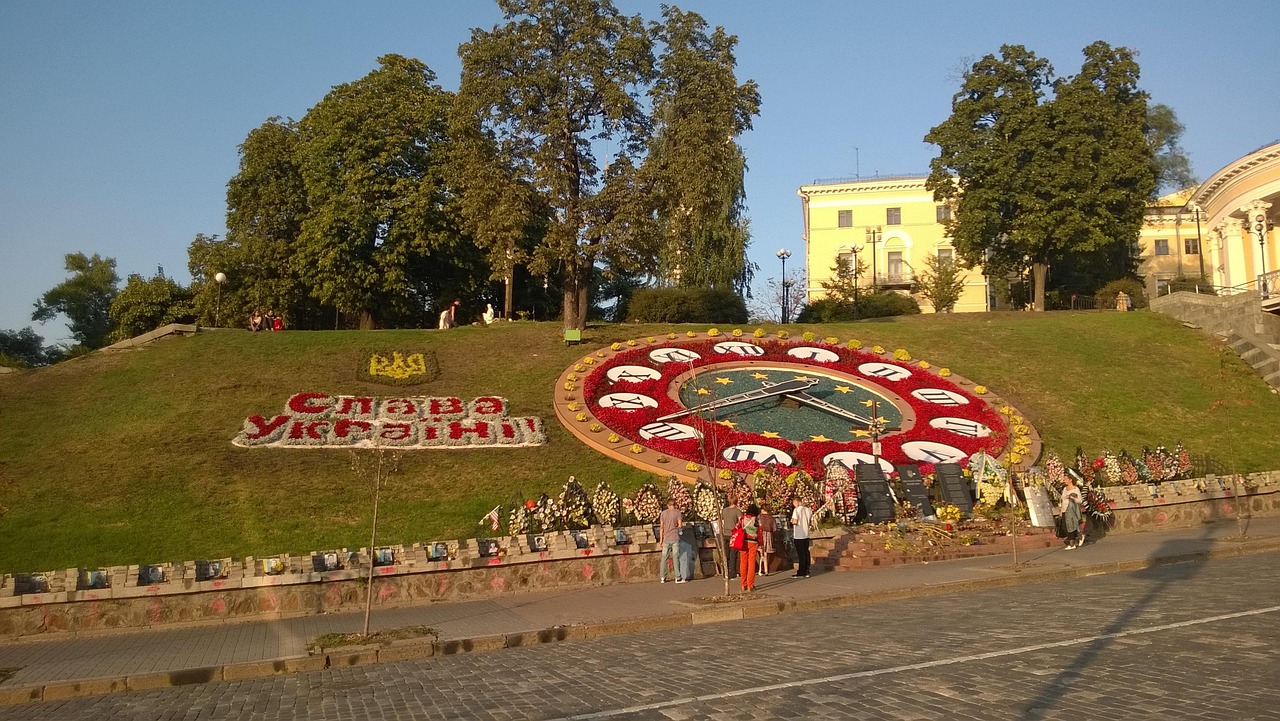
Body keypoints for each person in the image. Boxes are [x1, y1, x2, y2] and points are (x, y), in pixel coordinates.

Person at [658, 499, 684, 583]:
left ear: (667, 505)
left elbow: (661, 527)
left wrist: (661, 539)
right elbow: (680, 525)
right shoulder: (677, 513)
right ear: (675, 505)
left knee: (664, 558)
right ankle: (678, 577)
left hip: (666, 538)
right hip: (675, 537)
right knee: (675, 557)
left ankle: (662, 577)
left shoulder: (663, 513)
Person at [1058, 473, 1085, 549]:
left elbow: (1080, 500)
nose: (1064, 481)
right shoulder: (1064, 489)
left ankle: (1072, 544)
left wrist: (1072, 497)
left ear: (1070, 480)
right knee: (1066, 526)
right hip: (1064, 509)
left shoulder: (1075, 489)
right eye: (1064, 479)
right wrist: (1061, 510)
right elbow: (1062, 500)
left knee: (1071, 526)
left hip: (1072, 510)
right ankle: (1078, 537)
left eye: (1066, 479)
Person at [738, 504, 761, 592]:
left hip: (743, 541)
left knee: (743, 562)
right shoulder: (756, 519)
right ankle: (750, 585)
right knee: (751, 563)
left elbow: (737, 527)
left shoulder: (743, 518)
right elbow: (760, 531)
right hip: (753, 542)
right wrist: (761, 544)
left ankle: (743, 584)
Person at [790, 497, 812, 578]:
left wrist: (792, 521)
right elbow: (809, 521)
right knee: (806, 552)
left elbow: (795, 521)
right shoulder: (808, 510)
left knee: (801, 554)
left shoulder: (797, 510)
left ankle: (801, 571)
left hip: (799, 535)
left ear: (796, 502)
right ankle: (807, 570)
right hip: (806, 534)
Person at [720, 501, 741, 579]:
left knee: (726, 553)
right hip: (733, 534)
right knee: (733, 554)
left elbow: (721, 521)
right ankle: (732, 572)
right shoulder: (737, 511)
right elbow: (740, 522)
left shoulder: (724, 510)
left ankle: (725, 571)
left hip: (725, 533)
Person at [757, 507, 777, 576]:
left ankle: (762, 569)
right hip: (769, 535)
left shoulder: (759, 517)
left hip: (760, 534)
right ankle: (766, 570)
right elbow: (774, 529)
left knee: (761, 552)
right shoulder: (771, 518)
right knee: (766, 553)